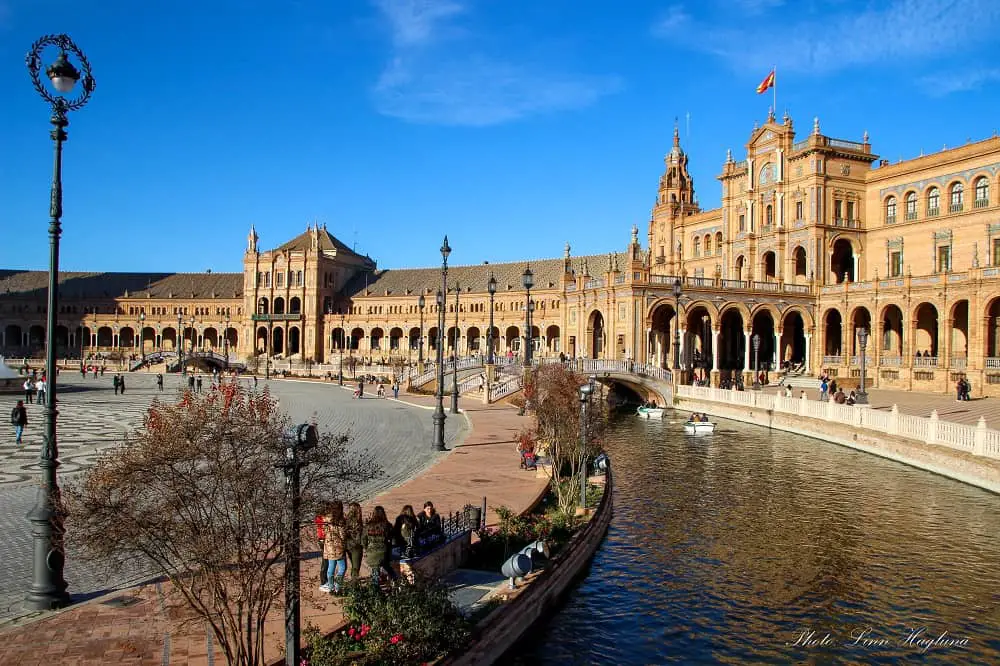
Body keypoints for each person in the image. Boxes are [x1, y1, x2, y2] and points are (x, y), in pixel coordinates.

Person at [362, 506, 397, 585]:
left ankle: (376, 589)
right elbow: (393, 540)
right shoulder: (387, 525)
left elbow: (363, 540)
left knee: (375, 569)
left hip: (371, 553)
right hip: (383, 552)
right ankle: (395, 580)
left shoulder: (368, 526)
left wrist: (367, 548)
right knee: (386, 566)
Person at [321, 501, 347, 595]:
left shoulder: (326, 519)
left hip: (328, 546)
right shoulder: (340, 520)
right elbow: (343, 535)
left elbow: (323, 532)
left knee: (331, 567)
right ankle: (337, 586)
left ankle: (331, 587)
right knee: (342, 568)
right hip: (338, 546)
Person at [344, 502, 364, 580]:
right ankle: (354, 584)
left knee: (353, 564)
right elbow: (359, 537)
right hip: (356, 547)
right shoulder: (358, 521)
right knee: (356, 567)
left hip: (348, 545)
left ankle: (353, 580)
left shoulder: (346, 520)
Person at [314, 507, 328, 588]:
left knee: (325, 560)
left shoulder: (318, 518)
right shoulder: (322, 518)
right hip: (324, 539)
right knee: (326, 560)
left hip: (321, 539)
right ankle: (324, 580)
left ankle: (324, 580)